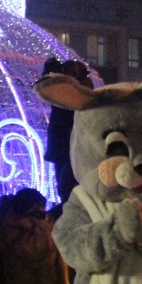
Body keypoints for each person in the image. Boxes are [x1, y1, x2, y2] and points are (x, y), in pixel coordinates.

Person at [43, 58, 91, 203]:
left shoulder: (74, 90)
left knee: (67, 176)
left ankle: (69, 201)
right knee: (65, 175)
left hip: (68, 140)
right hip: (67, 141)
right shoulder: (64, 88)